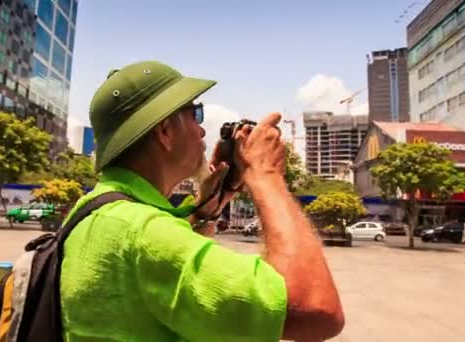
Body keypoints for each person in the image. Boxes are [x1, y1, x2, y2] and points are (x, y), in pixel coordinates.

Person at [59, 61, 344, 341]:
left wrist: (209, 205)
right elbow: (315, 308)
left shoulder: (93, 212)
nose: (203, 130)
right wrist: (265, 173)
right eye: (195, 114)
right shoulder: (142, 233)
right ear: (165, 132)